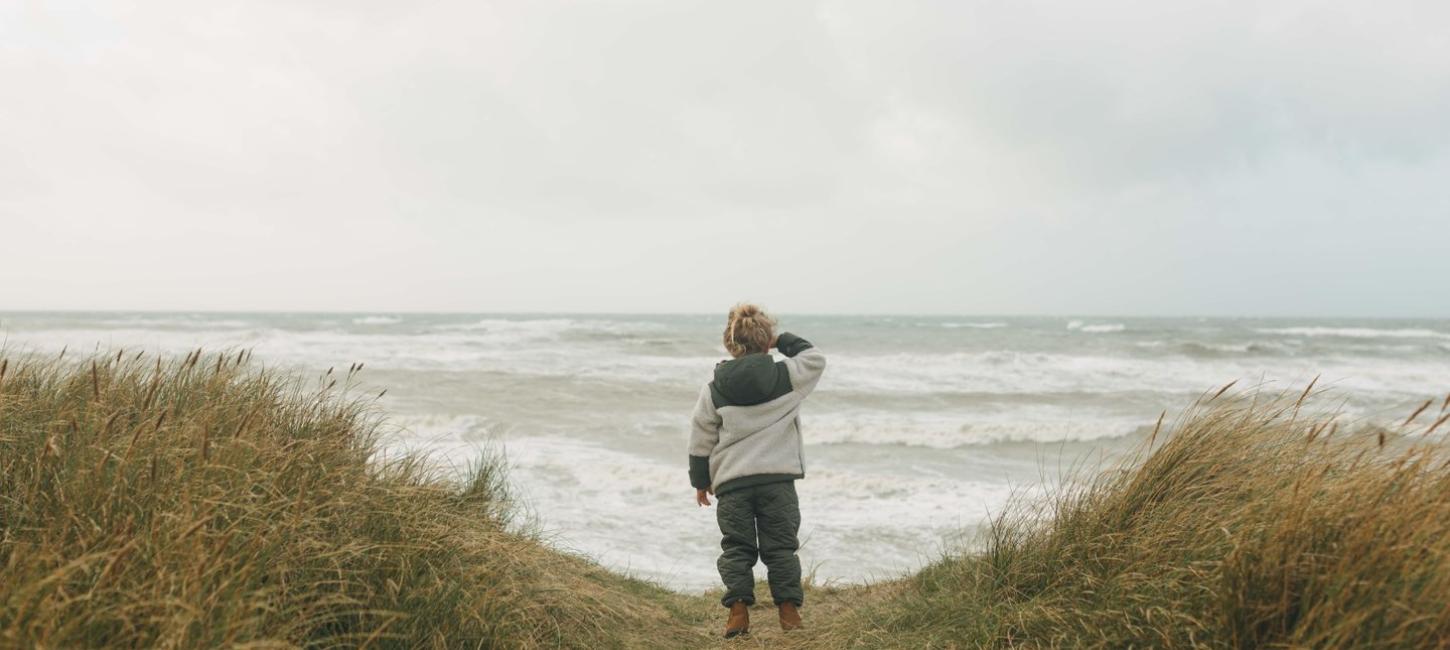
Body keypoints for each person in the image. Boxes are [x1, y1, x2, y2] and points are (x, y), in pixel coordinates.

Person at [687, 303, 827, 638]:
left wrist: (700, 481)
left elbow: (700, 434)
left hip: (733, 483)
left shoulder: (715, 387)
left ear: (730, 345)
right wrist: (780, 340)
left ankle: (737, 612)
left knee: (736, 548)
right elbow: (815, 358)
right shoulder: (786, 376)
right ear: (766, 342)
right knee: (780, 546)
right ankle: (789, 612)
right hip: (776, 481)